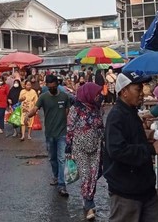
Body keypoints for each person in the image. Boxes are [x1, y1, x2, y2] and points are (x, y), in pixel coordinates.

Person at [104, 71, 158, 222]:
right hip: (126, 191)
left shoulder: (131, 111)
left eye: (142, 88)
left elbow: (130, 138)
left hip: (144, 187)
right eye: (137, 89)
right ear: (124, 91)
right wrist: (151, 149)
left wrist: (147, 135)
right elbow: (117, 150)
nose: (142, 94)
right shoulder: (116, 116)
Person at [27, 74, 72, 197]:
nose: (52, 88)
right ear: (46, 85)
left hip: (62, 133)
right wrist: (28, 115)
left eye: (54, 86)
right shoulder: (43, 97)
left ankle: (62, 185)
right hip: (49, 133)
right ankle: (56, 176)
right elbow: (35, 109)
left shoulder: (64, 96)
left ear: (57, 85)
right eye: (50, 86)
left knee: (61, 158)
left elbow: (67, 112)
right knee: (52, 158)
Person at [66, 82, 104, 220]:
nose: (99, 96)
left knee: (94, 175)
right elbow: (69, 129)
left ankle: (87, 197)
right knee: (86, 174)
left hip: (96, 146)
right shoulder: (75, 109)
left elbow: (101, 126)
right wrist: (68, 149)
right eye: (97, 94)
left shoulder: (97, 108)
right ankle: (89, 205)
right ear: (89, 94)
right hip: (80, 147)